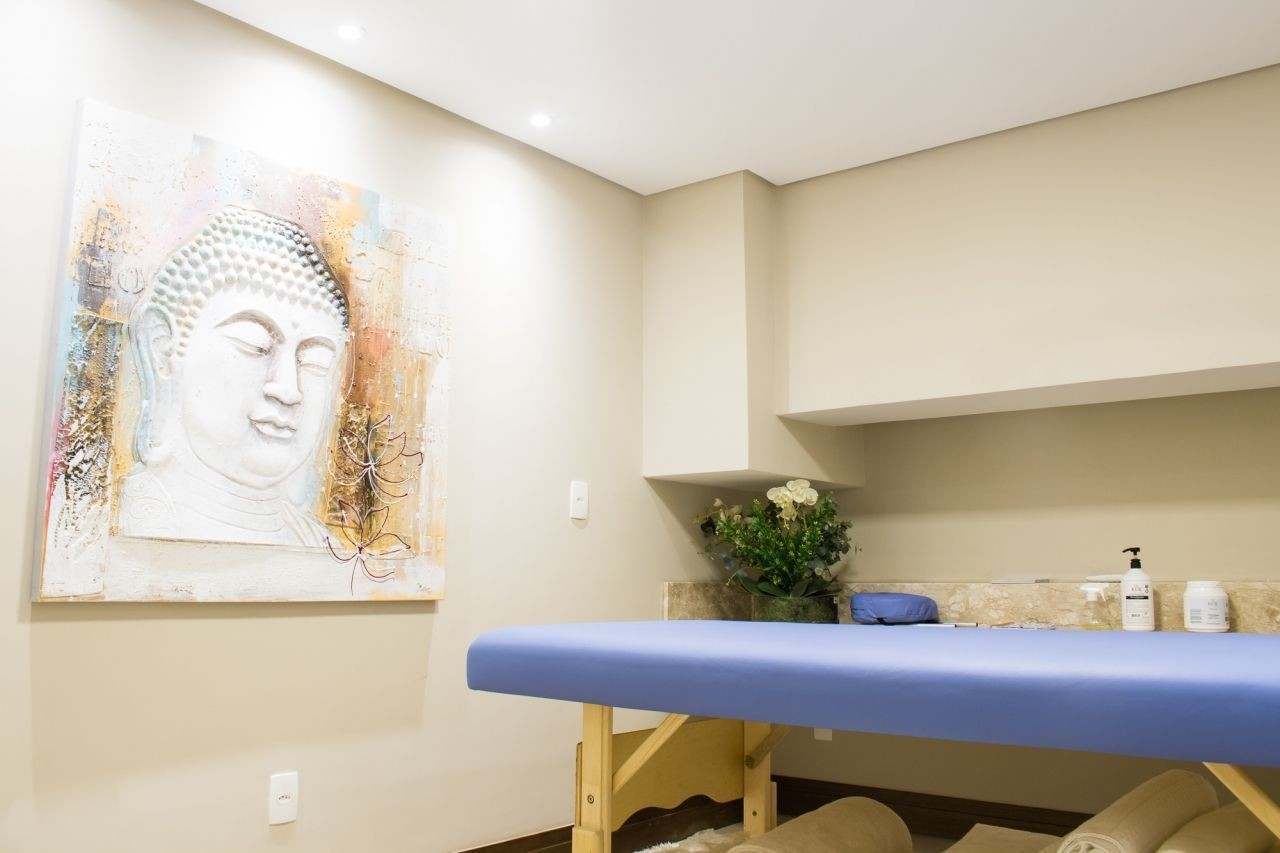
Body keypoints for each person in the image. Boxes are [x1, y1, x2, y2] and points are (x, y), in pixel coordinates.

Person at [117, 206, 350, 547]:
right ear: (162, 349)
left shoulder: (323, 549)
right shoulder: (116, 527)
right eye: (255, 344)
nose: (288, 389)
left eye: (315, 362)